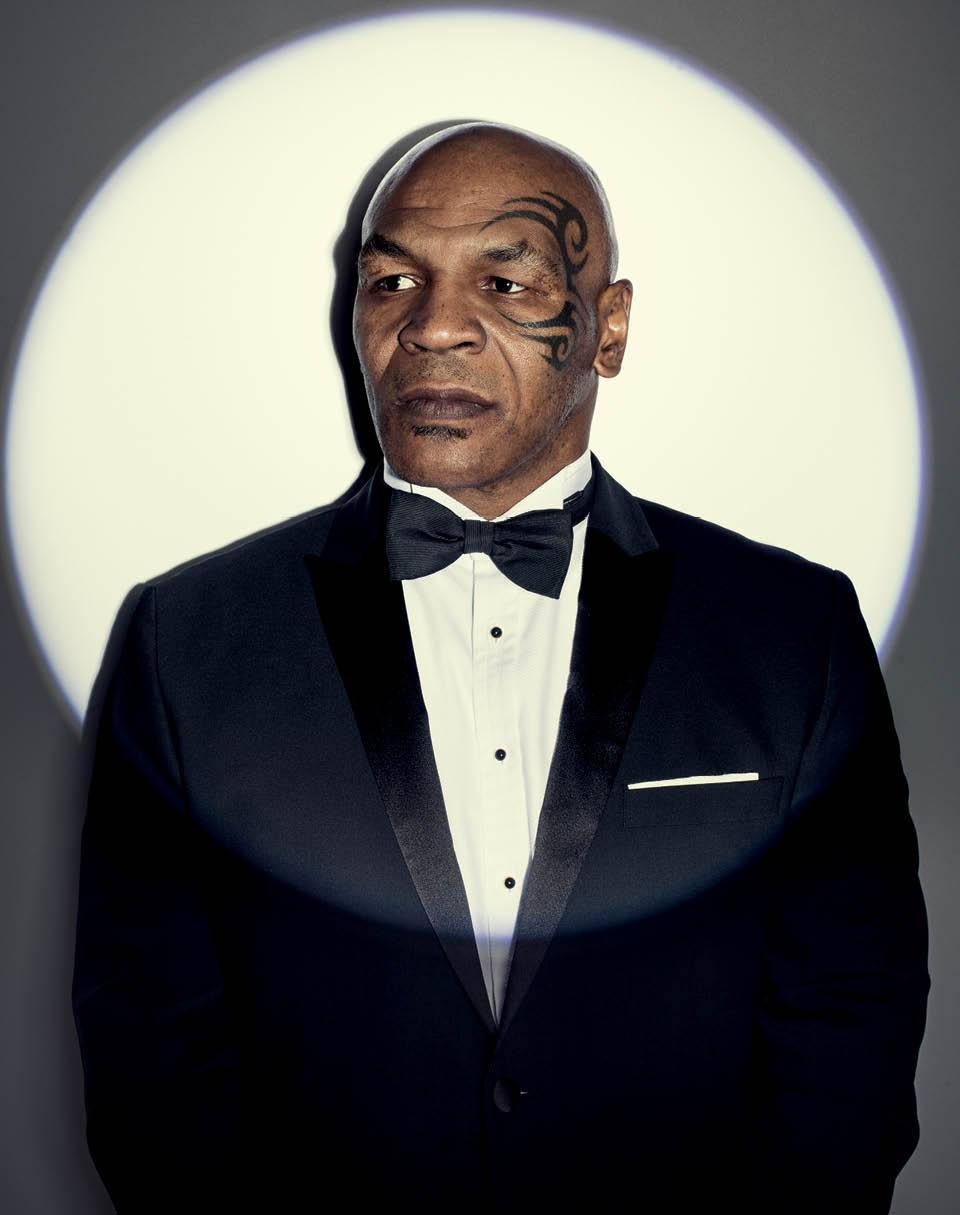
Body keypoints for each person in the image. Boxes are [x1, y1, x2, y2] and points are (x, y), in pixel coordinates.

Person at [72, 122, 929, 1213]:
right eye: (393, 280)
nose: (433, 327)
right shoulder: (185, 638)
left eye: (506, 281)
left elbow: (850, 1024)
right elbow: (150, 1052)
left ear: (608, 329)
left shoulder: (792, 632)